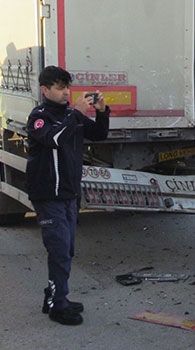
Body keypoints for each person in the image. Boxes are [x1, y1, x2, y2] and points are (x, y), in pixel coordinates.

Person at [25, 65, 110, 325]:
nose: (66, 93)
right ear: (45, 90)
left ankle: (54, 295)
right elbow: (56, 138)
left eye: (67, 87)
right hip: (48, 194)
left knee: (68, 249)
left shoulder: (72, 114)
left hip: (69, 194)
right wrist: (76, 115)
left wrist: (102, 111)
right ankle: (57, 306)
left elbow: (99, 135)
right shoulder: (39, 117)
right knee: (59, 249)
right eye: (60, 88)